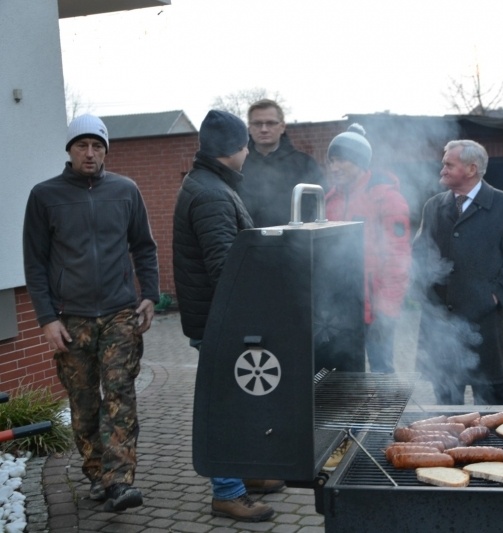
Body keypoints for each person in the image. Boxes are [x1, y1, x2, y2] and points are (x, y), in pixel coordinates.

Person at [22, 114, 159, 512]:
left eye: (97, 146)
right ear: (69, 149)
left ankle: (120, 482)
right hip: (70, 319)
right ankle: (98, 473)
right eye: (82, 145)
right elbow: (35, 262)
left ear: (105, 151)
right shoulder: (45, 196)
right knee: (83, 406)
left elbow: (144, 247)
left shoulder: (126, 191)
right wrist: (47, 318)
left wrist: (148, 294)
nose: (90, 152)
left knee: (119, 396)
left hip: (120, 313)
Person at [172, 110, 282, 522]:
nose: (249, 151)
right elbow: (225, 268)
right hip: (224, 322)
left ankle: (247, 473)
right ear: (234, 149)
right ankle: (228, 490)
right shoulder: (213, 194)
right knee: (227, 407)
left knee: (244, 403)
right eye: (244, 144)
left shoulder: (209, 185)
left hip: (223, 318)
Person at [412, 139, 503, 405]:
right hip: (440, 323)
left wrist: (495, 297)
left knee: (491, 406)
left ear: (471, 169)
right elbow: (419, 253)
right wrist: (421, 290)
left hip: (483, 324)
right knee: (446, 407)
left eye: (448, 164)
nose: (442, 168)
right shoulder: (434, 206)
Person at [324, 124, 412, 373]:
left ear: (361, 162)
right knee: (341, 369)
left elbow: (398, 260)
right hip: (338, 308)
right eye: (332, 161)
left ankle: (386, 412)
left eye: (342, 160)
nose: (335, 167)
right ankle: (347, 413)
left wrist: (388, 309)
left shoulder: (387, 199)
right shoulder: (329, 200)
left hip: (376, 307)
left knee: (381, 369)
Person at [236, 99, 325, 227]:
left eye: (271, 123)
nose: (264, 129)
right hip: (248, 243)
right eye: (257, 124)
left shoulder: (304, 164)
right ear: (249, 128)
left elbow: (319, 206)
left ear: (282, 127)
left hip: (296, 242)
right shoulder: (238, 165)